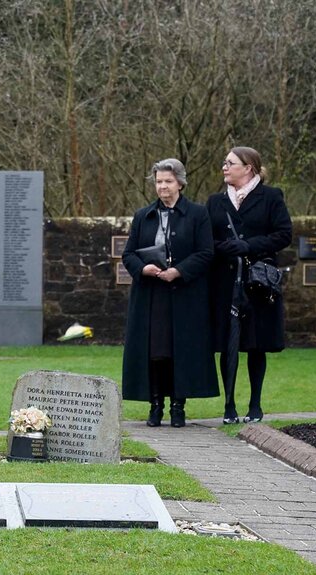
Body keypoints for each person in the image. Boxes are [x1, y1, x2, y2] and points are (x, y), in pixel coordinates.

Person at [122, 158, 218, 427]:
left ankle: (178, 407)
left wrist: (180, 271)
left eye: (168, 181)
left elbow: (206, 252)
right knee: (156, 351)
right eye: (158, 182)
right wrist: (144, 269)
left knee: (180, 351)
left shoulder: (198, 214)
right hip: (151, 296)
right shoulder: (143, 216)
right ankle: (155, 405)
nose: (162, 187)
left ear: (180, 183)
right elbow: (128, 254)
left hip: (185, 295)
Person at [207, 147, 292, 424]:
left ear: (249, 167)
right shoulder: (215, 202)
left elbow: (283, 234)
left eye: (230, 163)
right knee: (226, 342)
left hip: (258, 281)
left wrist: (249, 245)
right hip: (225, 281)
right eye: (224, 163)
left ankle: (255, 405)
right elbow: (206, 240)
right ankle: (229, 405)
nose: (224, 167)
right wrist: (225, 248)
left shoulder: (271, 197)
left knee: (257, 344)